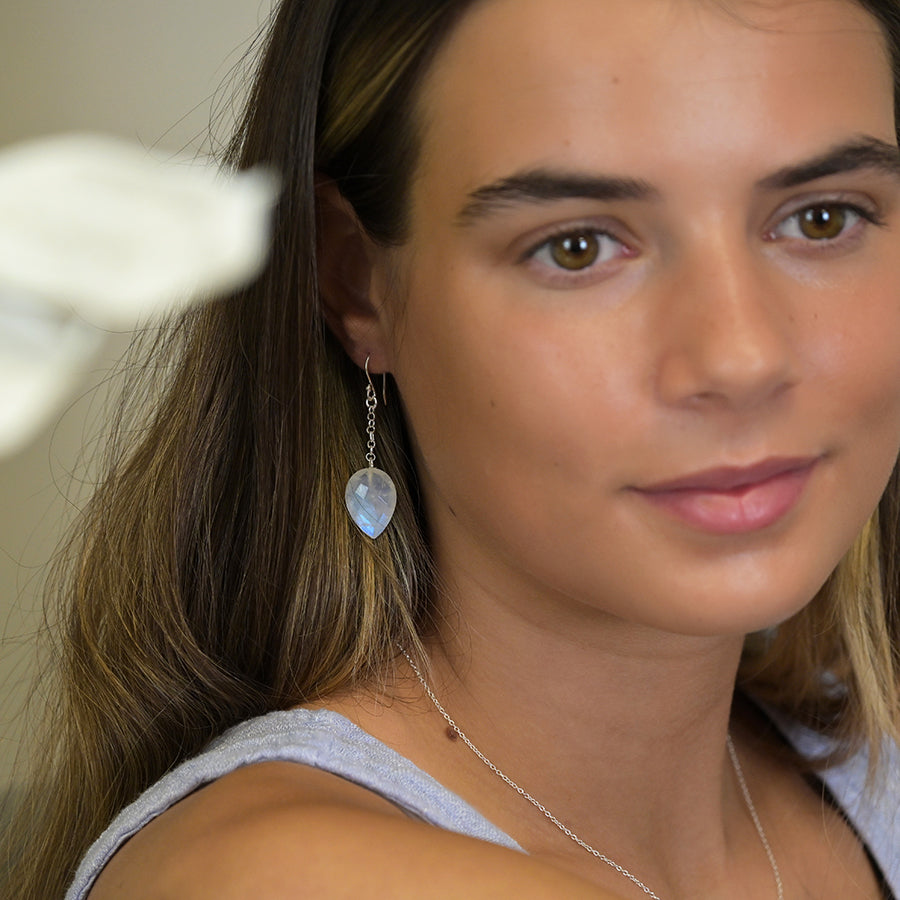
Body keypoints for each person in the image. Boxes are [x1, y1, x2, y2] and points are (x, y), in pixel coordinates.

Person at [3, 0, 900, 897]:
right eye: (578, 247)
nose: (742, 358)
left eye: (822, 219)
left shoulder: (863, 774)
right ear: (355, 281)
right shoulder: (277, 879)